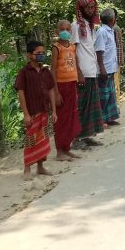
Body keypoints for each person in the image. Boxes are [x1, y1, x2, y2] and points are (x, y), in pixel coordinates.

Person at [15, 40, 57, 179]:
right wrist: (26, 114)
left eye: (43, 53)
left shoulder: (46, 71)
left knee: (43, 140)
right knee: (31, 140)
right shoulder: (24, 72)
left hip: (44, 110)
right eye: (38, 53)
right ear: (29, 55)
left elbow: (51, 90)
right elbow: (21, 93)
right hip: (32, 112)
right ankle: (27, 168)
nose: (41, 55)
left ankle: (40, 167)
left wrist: (54, 111)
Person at [72, 0, 104, 145]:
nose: (91, 10)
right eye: (88, 7)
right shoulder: (76, 26)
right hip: (83, 71)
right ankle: (77, 137)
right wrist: (78, 72)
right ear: (81, 8)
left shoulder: (90, 27)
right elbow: (73, 50)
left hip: (92, 69)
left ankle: (87, 135)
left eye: (93, 7)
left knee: (91, 105)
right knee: (82, 106)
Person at [50, 20, 81, 160]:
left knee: (72, 116)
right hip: (61, 86)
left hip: (72, 84)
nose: (65, 31)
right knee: (62, 119)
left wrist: (80, 75)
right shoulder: (56, 48)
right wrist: (56, 92)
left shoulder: (73, 46)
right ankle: (59, 151)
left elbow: (76, 63)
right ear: (57, 32)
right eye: (62, 29)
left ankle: (67, 147)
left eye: (68, 29)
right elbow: (53, 71)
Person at [95, 8, 121, 127]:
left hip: (111, 67)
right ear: (112, 19)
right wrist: (102, 68)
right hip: (104, 68)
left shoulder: (110, 31)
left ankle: (109, 117)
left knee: (110, 93)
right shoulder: (102, 32)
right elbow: (99, 51)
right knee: (103, 94)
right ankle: (101, 119)